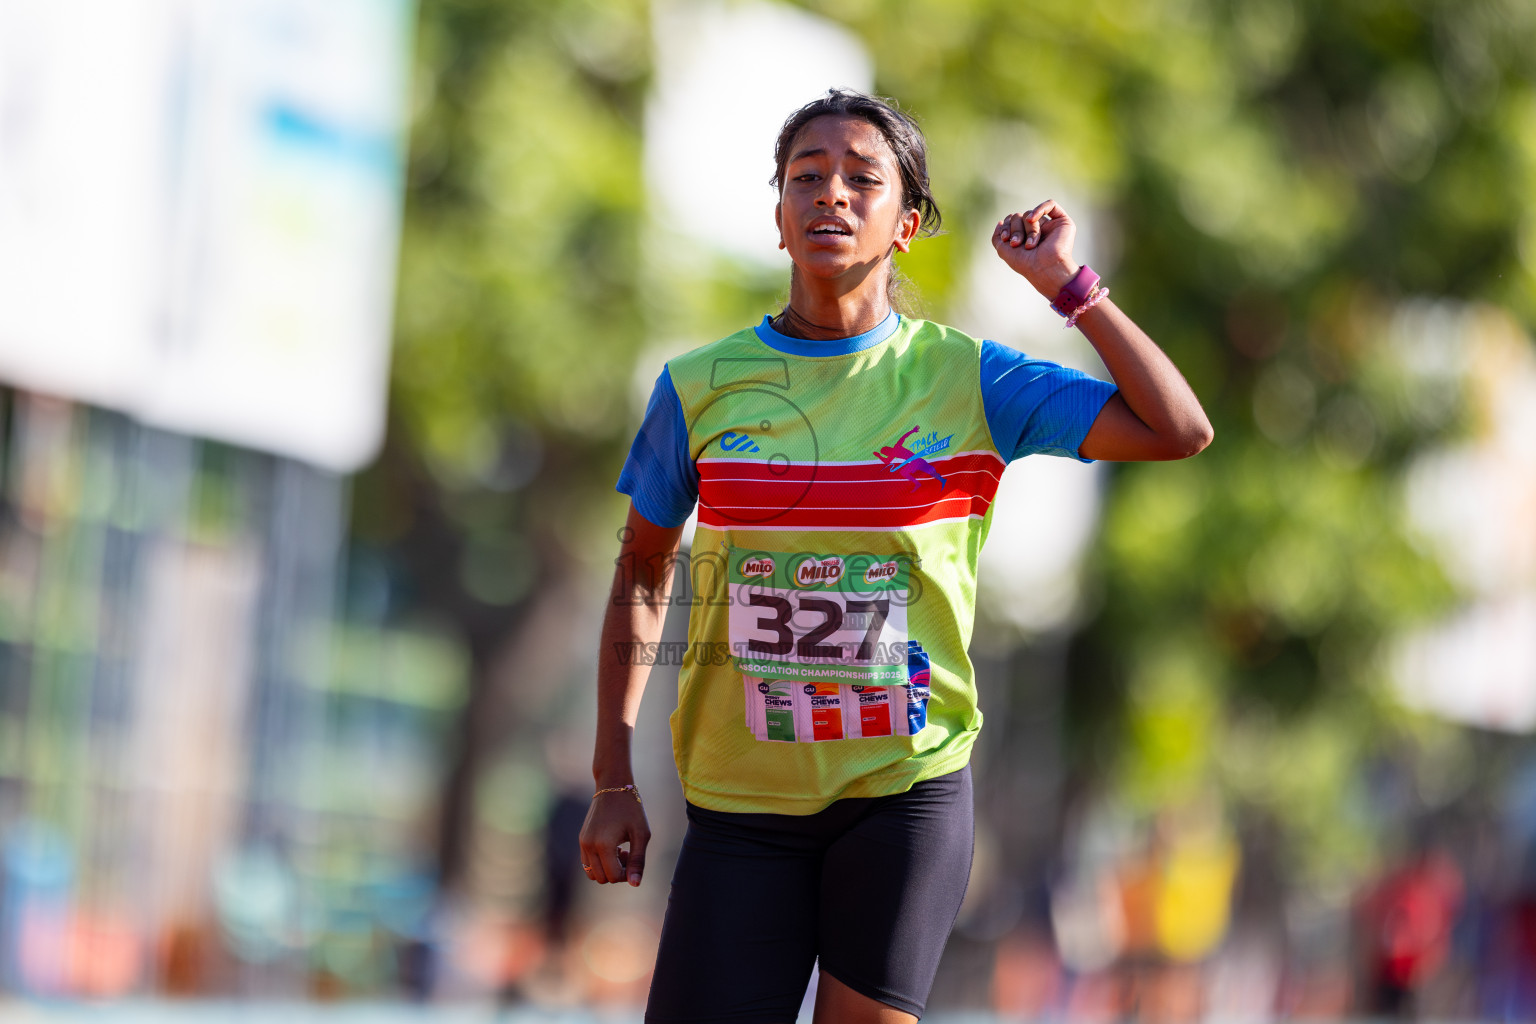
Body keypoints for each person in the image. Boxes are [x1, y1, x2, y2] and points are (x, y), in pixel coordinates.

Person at [581, 88, 1213, 1024]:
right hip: (740, 803)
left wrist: (1069, 287)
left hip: (901, 794)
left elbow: (1178, 427)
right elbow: (641, 568)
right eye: (807, 178)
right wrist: (611, 779)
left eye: (861, 180)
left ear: (906, 223)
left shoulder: (972, 380)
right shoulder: (699, 387)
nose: (831, 194)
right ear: (780, 220)